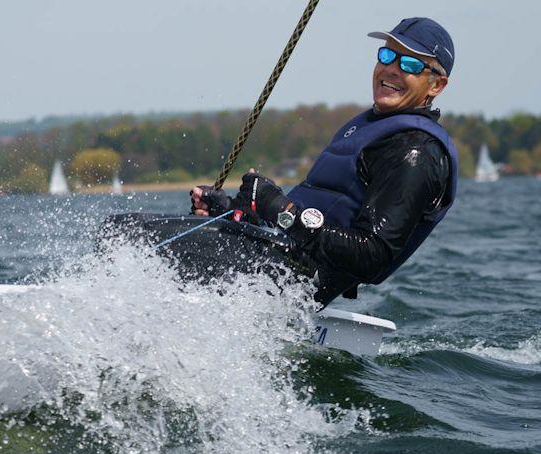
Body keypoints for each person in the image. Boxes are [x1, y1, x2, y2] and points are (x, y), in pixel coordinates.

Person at [191, 17, 458, 305]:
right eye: (387, 55)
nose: (391, 68)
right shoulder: (368, 128)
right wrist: (236, 211)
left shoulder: (416, 152)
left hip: (292, 286)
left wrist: (280, 208)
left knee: (143, 244)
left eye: (410, 64)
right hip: (271, 266)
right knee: (142, 235)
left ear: (436, 85)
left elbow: (372, 255)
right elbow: (317, 219)